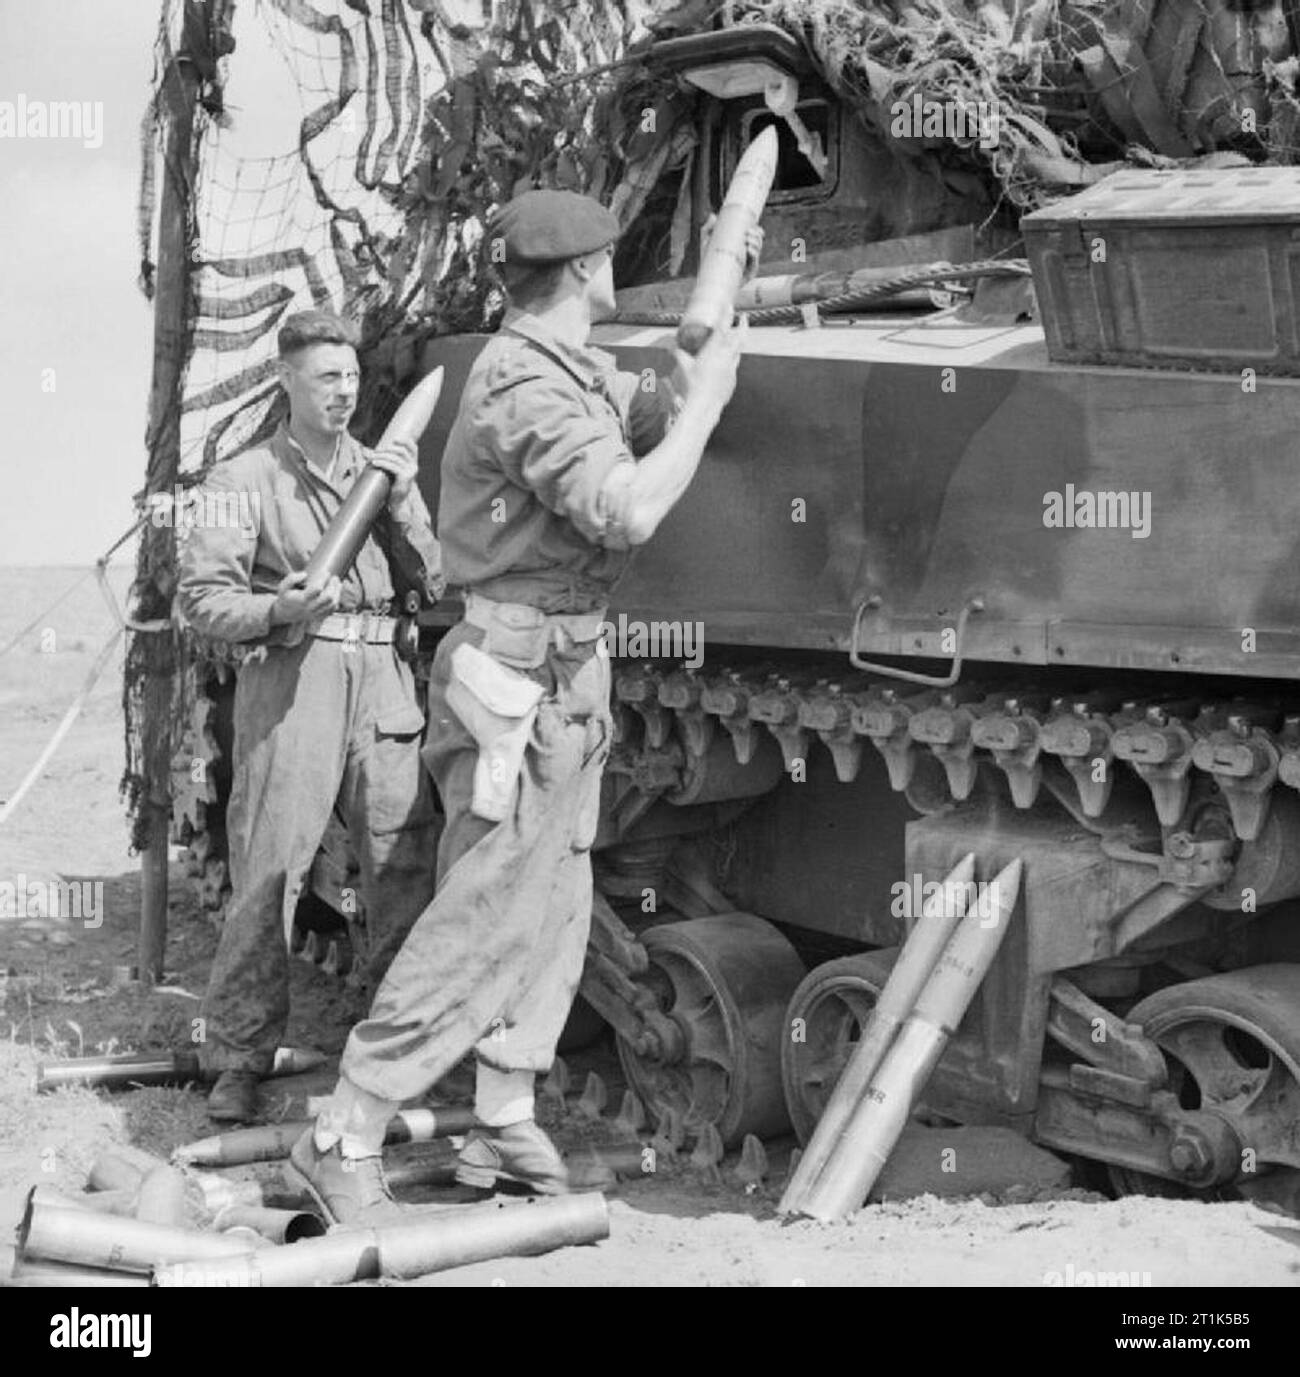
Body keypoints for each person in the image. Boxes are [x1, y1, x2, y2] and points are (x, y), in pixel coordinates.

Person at [290, 189, 756, 1224]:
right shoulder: (521, 385)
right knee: (488, 908)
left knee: (553, 902)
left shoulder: (561, 369)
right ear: (591, 272)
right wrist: (711, 404)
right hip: (519, 676)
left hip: (564, 676)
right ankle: (345, 1129)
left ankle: (502, 1121)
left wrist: (683, 386)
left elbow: (631, 419)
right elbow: (626, 508)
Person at [178, 309, 444, 1124]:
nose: (345, 391)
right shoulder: (240, 480)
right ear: (286, 379)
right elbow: (200, 601)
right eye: (327, 377)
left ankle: (401, 1056)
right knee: (270, 865)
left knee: (403, 864)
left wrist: (398, 500)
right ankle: (237, 1057)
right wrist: (274, 606)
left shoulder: (383, 469)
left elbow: (433, 581)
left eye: (353, 377)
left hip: (385, 680)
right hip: (295, 674)